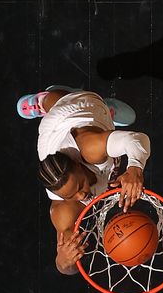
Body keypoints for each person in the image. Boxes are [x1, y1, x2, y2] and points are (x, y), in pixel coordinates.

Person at [17, 86, 150, 275]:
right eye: (72, 196)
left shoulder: (90, 150)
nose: (82, 195)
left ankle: (42, 101)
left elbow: (138, 139)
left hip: (77, 108)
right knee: (110, 147)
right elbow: (68, 268)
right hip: (51, 141)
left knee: (57, 100)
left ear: (78, 165)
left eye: (79, 186)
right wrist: (63, 262)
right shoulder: (62, 208)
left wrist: (135, 167)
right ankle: (109, 131)